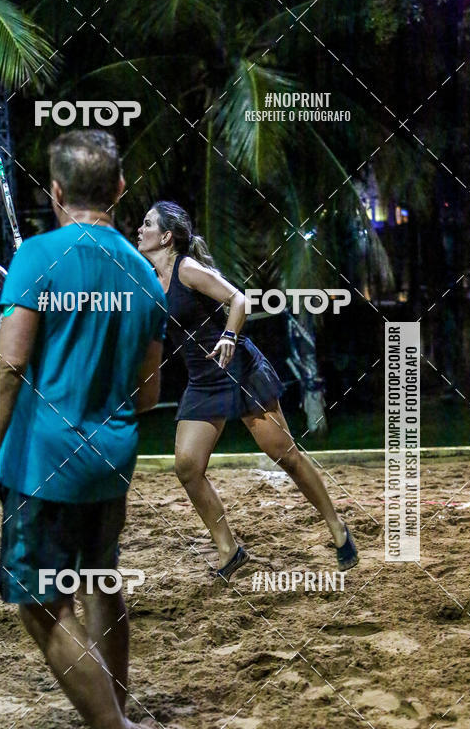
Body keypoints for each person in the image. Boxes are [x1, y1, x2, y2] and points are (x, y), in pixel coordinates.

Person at [0, 131, 167, 729]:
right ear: (121, 189)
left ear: (55, 191)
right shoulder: (143, 271)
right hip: (113, 457)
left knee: (42, 602)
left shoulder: (37, 257)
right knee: (102, 581)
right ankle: (124, 716)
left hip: (43, 463)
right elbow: (151, 389)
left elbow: (12, 363)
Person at [137, 201, 358, 582]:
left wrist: (228, 336)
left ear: (166, 236)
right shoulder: (149, 277)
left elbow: (238, 299)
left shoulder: (187, 269)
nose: (139, 229)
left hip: (238, 369)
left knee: (285, 455)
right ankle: (229, 549)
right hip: (203, 380)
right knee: (188, 467)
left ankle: (337, 527)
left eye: (146, 224)